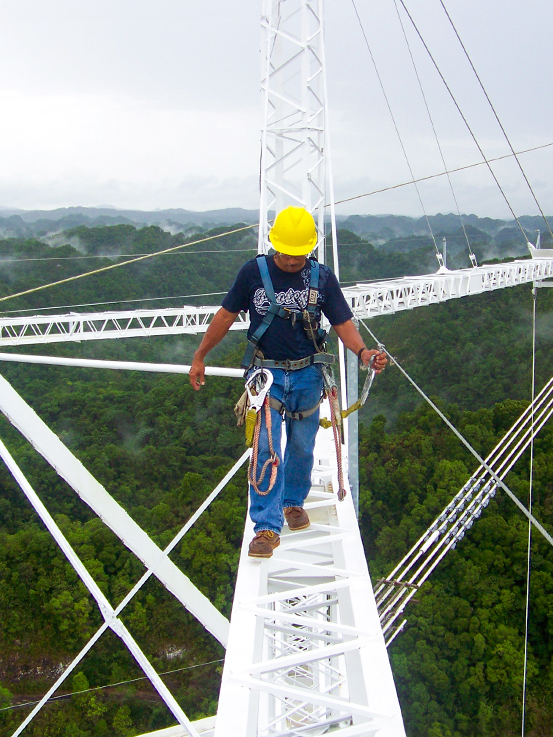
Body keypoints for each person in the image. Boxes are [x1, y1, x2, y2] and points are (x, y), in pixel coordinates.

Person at [189, 206, 386, 558]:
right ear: (274, 245)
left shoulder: (322, 278)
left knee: (302, 444)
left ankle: (293, 502)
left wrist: (363, 352)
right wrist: (200, 355)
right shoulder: (253, 273)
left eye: (300, 255)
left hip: (309, 371)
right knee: (266, 447)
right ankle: (266, 526)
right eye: (287, 253)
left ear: (309, 250)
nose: (293, 261)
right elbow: (225, 315)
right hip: (267, 373)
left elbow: (342, 322)